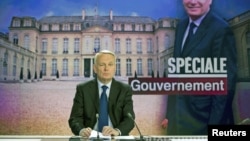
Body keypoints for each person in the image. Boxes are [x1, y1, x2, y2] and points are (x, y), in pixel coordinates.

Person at [161, 0, 237, 135]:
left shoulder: (221, 29)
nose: (193, 2)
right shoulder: (181, 26)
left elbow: (225, 87)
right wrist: (169, 114)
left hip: (203, 122)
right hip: (178, 122)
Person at [68, 49, 135, 138]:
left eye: (110, 65)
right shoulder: (83, 89)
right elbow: (75, 118)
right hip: (90, 138)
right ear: (95, 68)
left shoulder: (124, 89)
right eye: (102, 65)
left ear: (115, 68)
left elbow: (129, 119)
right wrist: (81, 130)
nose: (106, 69)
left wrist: (117, 131)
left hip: (115, 138)